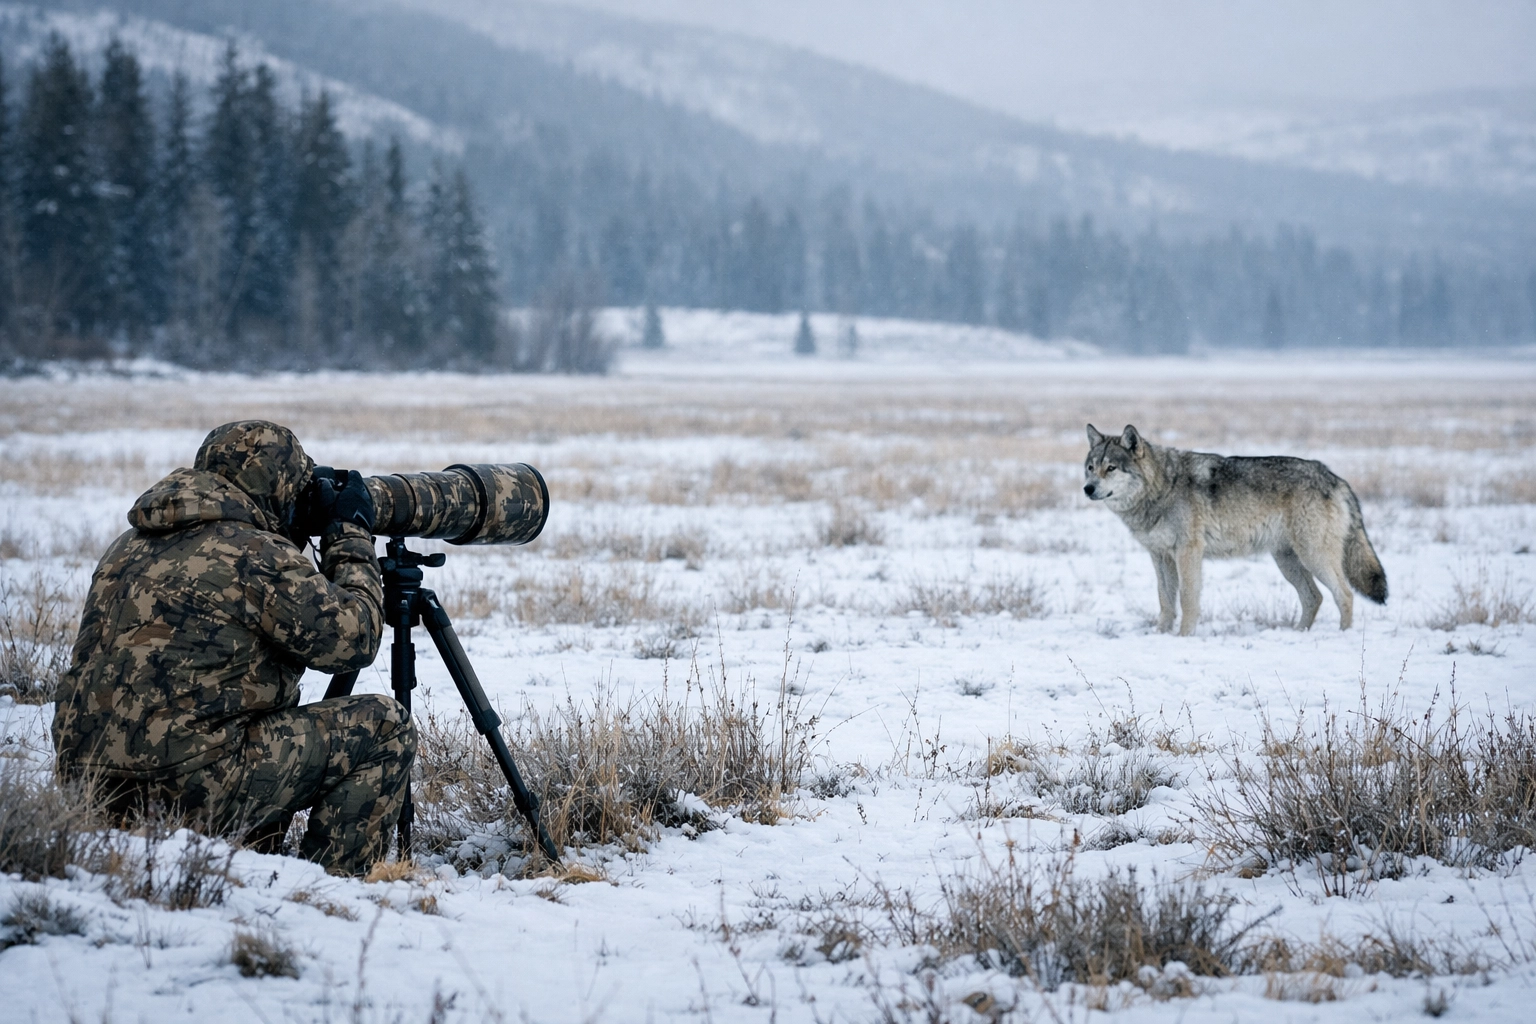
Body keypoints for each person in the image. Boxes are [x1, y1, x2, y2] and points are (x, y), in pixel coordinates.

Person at [51, 420, 415, 875]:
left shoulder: (127, 546)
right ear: (278, 486)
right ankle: (338, 884)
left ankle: (246, 855)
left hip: (90, 788)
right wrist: (350, 536)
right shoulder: (254, 553)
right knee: (384, 727)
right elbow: (355, 638)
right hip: (188, 788)